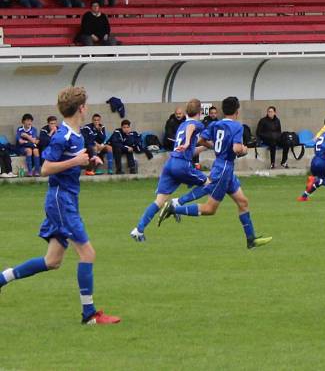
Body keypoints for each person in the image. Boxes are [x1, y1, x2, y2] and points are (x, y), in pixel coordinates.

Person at [0, 86, 121, 325]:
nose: (87, 108)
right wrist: (76, 161)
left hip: (65, 199)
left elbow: (70, 161)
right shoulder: (62, 135)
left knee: (52, 261)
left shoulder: (75, 135)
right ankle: (89, 315)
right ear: (81, 108)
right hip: (61, 200)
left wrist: (90, 159)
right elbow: (45, 168)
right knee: (88, 253)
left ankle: (2, 278)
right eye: (85, 105)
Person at [158, 96, 272, 250]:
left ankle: (251, 239)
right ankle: (174, 207)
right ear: (237, 111)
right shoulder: (237, 127)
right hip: (224, 168)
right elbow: (237, 149)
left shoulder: (215, 124)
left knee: (243, 202)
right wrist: (244, 149)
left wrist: (214, 147)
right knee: (210, 209)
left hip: (224, 166)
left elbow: (201, 140)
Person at [131, 99, 209, 242]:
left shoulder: (180, 126)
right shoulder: (196, 124)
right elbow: (191, 127)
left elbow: (190, 151)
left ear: (186, 112)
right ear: (200, 113)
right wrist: (187, 143)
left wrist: (205, 147)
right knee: (210, 184)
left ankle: (138, 230)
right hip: (182, 165)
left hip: (171, 164)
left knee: (159, 201)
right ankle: (177, 203)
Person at [297, 116, 325, 202]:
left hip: (314, 161)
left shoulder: (322, 135)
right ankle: (317, 180)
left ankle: (304, 197)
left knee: (317, 183)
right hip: (322, 163)